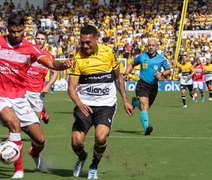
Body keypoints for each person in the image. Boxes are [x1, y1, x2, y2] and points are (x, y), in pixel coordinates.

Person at [0, 14, 71, 179]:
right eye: (12, 31)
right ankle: (19, 170)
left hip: (19, 98)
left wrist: (63, 64)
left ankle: (34, 153)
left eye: (19, 31)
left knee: (40, 139)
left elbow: (52, 64)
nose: (16, 35)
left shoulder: (31, 49)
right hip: (1, 95)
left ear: (24, 29)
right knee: (14, 124)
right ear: (7, 29)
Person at [68, 25, 133, 179]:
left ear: (96, 38)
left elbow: (118, 78)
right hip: (84, 105)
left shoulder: (108, 52)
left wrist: (125, 100)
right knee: (76, 142)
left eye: (88, 42)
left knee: (101, 137)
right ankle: (82, 156)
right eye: (82, 42)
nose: (84, 46)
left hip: (106, 105)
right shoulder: (77, 59)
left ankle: (94, 165)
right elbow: (71, 88)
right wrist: (79, 103)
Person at [123, 38, 171, 135]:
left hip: (153, 87)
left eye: (153, 45)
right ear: (147, 46)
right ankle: (146, 129)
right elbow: (131, 64)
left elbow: (168, 70)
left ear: (156, 47)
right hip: (142, 84)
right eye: (149, 45)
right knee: (144, 106)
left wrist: (162, 74)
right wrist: (126, 73)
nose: (151, 47)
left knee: (145, 107)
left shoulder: (161, 59)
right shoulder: (142, 57)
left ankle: (135, 103)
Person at [25, 30, 58, 124]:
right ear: (35, 39)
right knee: (17, 116)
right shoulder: (28, 52)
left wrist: (48, 86)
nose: (39, 41)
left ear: (45, 41)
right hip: (24, 88)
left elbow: (55, 73)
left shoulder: (49, 56)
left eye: (42, 39)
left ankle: (42, 113)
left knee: (35, 122)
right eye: (38, 38)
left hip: (38, 91)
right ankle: (13, 137)